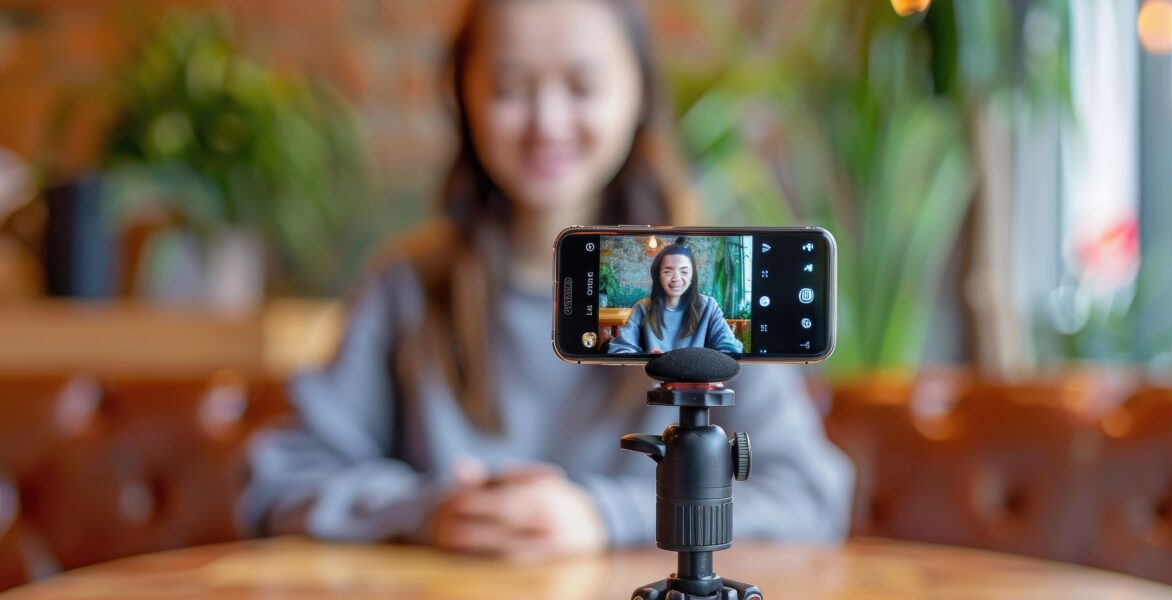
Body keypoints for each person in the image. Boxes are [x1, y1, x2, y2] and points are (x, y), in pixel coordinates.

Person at [239, 0, 853, 560]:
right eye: (509, 87)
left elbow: (809, 495)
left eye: (582, 85)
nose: (547, 121)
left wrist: (603, 516)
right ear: (464, 95)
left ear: (638, 92)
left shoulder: (711, 290)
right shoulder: (407, 287)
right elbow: (276, 479)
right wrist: (427, 512)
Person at [608, 240, 743, 354]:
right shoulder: (643, 308)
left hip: (697, 382)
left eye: (684, 271)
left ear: (692, 276)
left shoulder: (708, 306)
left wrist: (701, 364)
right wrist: (646, 360)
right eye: (668, 272)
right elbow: (621, 349)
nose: (676, 278)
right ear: (658, 276)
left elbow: (730, 349)